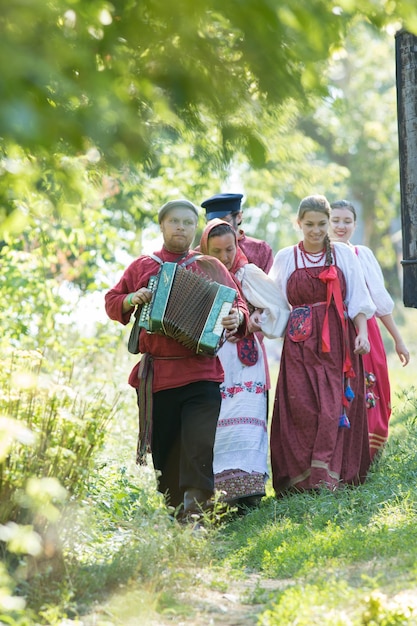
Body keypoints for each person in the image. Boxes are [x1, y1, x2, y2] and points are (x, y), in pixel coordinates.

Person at [105, 199, 249, 518]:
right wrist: (132, 298)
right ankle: (175, 514)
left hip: (203, 373)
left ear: (195, 228)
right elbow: (113, 301)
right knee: (166, 452)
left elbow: (238, 303)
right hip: (159, 378)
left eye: (187, 222)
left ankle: (196, 515)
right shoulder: (143, 265)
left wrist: (235, 318)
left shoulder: (209, 265)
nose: (181, 227)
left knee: (199, 446)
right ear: (162, 226)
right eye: (174, 222)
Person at [269, 194, 376, 495]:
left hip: (337, 341)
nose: (316, 231)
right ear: (299, 223)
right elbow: (273, 303)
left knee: (332, 408)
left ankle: (329, 477)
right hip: (299, 343)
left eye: (322, 224)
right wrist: (257, 320)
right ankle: (301, 479)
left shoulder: (342, 255)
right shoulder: (285, 257)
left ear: (329, 223)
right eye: (309, 224)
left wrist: (363, 333)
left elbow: (357, 297)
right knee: (302, 407)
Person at [199, 219, 289, 510]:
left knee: (249, 425)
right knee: (219, 424)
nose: (224, 257)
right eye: (217, 250)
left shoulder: (248, 273)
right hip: (211, 360)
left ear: (237, 245)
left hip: (245, 359)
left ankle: (249, 495)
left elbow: (279, 309)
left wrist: (254, 322)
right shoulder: (198, 273)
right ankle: (221, 497)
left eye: (229, 249)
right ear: (205, 248)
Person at [329, 199, 410, 460]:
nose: (341, 226)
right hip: (332, 329)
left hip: (367, 330)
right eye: (336, 220)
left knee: (374, 384)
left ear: (355, 224)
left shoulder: (361, 253)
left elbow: (379, 300)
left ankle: (369, 453)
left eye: (347, 221)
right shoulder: (320, 254)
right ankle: (339, 454)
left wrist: (398, 340)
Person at [200, 193, 274, 272]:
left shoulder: (260, 249)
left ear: (239, 217)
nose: (218, 225)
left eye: (223, 220)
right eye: (212, 223)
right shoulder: (200, 252)